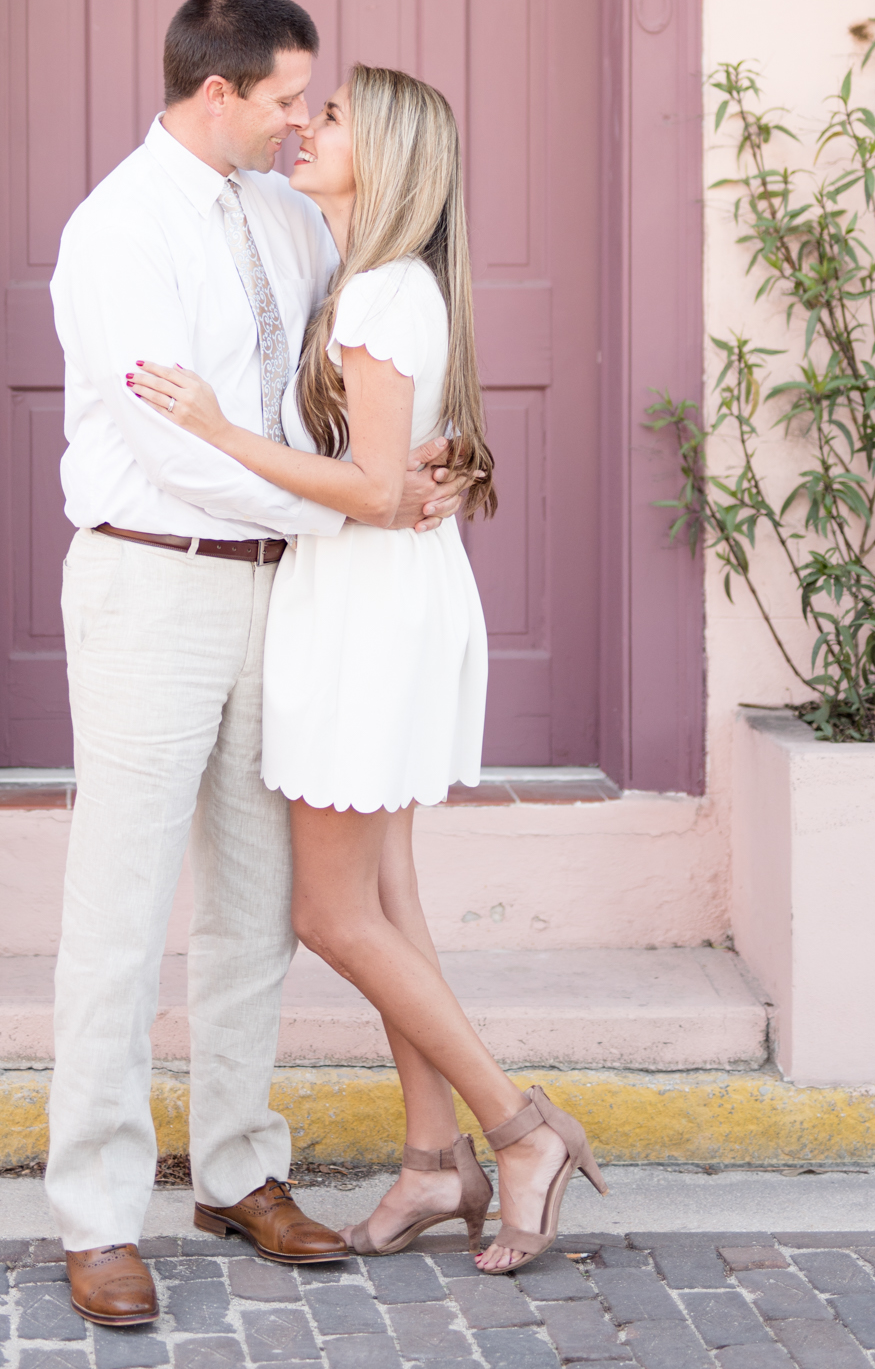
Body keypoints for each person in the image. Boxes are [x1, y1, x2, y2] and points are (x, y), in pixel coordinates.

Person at [128, 63, 608, 1276]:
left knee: (329, 909)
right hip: (370, 595)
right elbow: (392, 474)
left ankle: (517, 1127)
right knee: (386, 899)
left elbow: (365, 485)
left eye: (330, 117)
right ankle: (431, 1160)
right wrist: (400, 474)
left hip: (365, 611)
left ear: (382, 155)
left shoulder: (376, 293)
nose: (306, 127)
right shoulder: (372, 282)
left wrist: (215, 428)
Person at [47, 0, 472, 1326]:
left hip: (289, 594)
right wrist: (359, 502)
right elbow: (181, 442)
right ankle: (99, 1212)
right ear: (215, 91)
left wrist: (422, 471)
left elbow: (352, 407)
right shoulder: (114, 231)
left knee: (255, 901)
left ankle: (237, 1167)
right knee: (119, 909)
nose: (303, 120)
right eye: (287, 97)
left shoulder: (295, 221)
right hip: (151, 582)